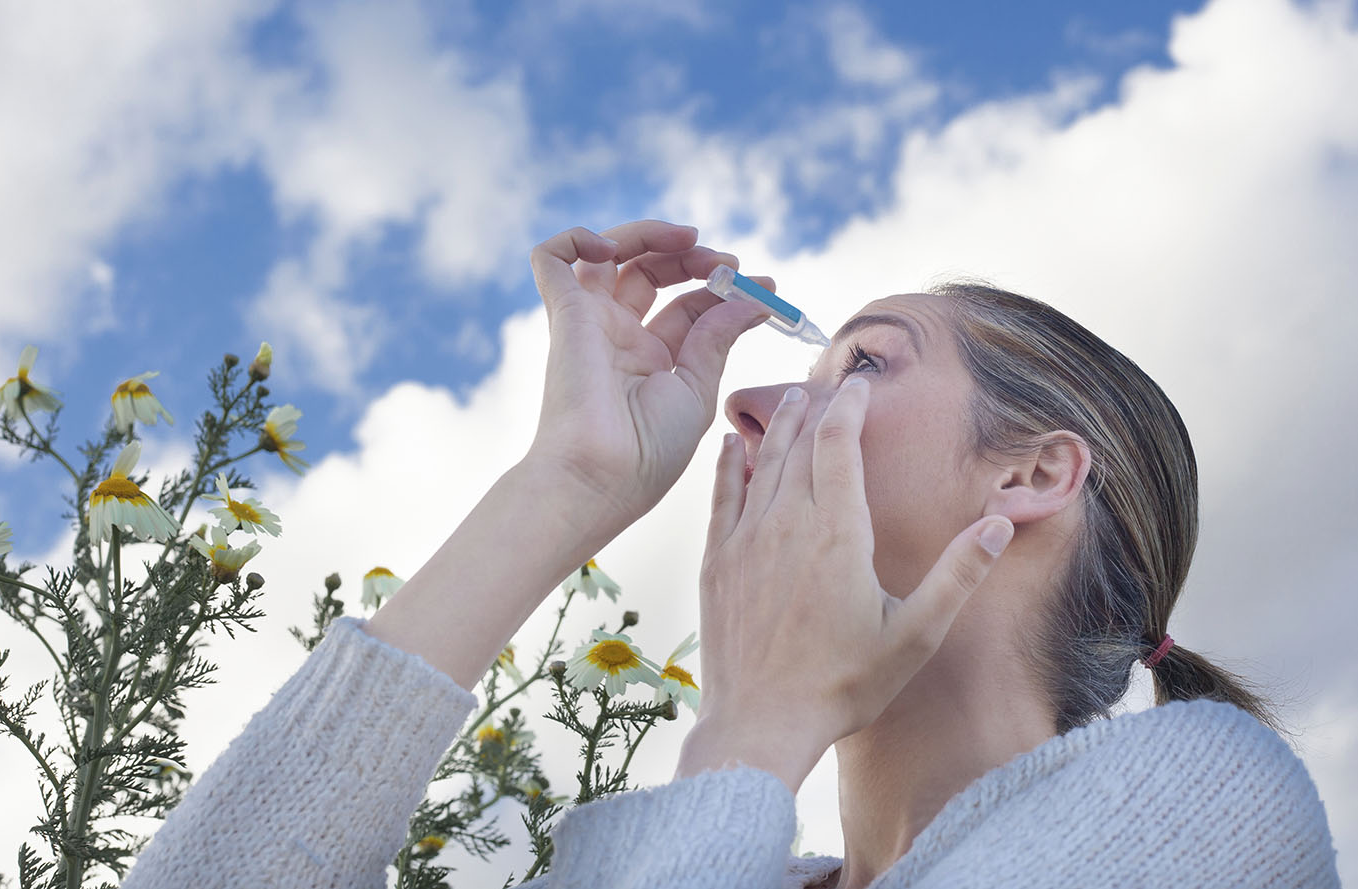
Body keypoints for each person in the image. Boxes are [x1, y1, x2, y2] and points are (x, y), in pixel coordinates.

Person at [123, 221, 1341, 888]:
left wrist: (756, 727)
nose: (747, 409)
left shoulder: (1213, 796)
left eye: (863, 364)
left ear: (1029, 476)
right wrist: (565, 484)